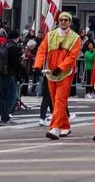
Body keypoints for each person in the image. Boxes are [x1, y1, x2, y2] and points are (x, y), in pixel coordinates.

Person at [34, 10, 82, 140]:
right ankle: (65, 126)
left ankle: (54, 128)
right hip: (50, 72)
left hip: (65, 73)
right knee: (55, 100)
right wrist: (37, 66)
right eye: (61, 20)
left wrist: (60, 68)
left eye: (66, 20)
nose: (63, 22)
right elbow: (41, 51)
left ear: (70, 22)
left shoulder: (75, 38)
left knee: (60, 99)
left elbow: (72, 57)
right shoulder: (50, 35)